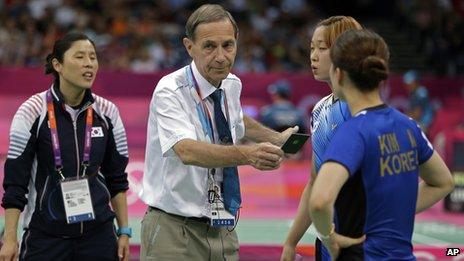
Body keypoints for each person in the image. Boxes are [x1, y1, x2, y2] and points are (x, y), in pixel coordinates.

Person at [139, 4, 297, 261]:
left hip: (223, 228)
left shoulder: (231, 84)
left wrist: (275, 138)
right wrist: (249, 155)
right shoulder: (169, 90)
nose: (221, 56)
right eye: (209, 46)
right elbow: (186, 150)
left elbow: (236, 119)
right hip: (174, 230)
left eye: (228, 45)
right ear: (189, 47)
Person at [309, 29, 455, 260]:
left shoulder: (352, 132)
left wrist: (330, 238)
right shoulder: (408, 126)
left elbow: (319, 201)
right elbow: (443, 182)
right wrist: (389, 214)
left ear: (338, 74)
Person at [0, 32, 131, 261]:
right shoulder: (31, 111)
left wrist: (124, 231)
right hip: (45, 238)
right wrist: (10, 237)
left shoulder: (108, 112)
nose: (89, 63)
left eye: (92, 57)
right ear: (57, 64)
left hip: (98, 236)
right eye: (80, 57)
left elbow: (116, 178)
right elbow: (15, 183)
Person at [281, 16, 365, 261]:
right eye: (311, 48)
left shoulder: (363, 111)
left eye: (322, 48)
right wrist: (290, 242)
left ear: (345, 51)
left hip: (360, 243)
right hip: (327, 241)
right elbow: (314, 183)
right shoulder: (320, 109)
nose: (313, 56)